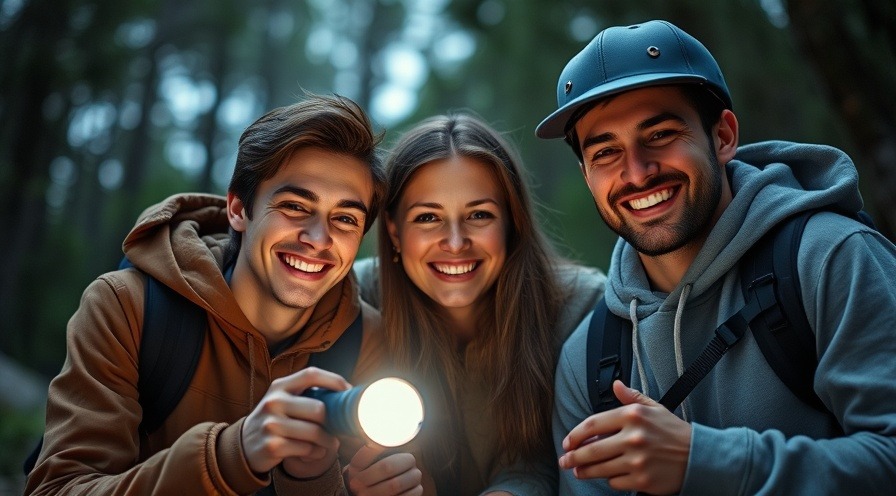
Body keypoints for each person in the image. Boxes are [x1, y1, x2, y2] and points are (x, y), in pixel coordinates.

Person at [535, 19, 896, 495]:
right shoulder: (589, 356)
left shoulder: (829, 259)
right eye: (606, 153)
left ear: (723, 136)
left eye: (660, 134)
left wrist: (708, 462)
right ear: (586, 174)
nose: (637, 172)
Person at [25, 93, 423, 495]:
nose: (319, 239)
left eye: (344, 219)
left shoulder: (367, 339)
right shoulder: (128, 307)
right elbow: (56, 489)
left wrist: (317, 480)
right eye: (294, 207)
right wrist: (232, 456)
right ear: (238, 209)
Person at [352, 113, 606, 495]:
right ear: (393, 230)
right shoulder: (353, 299)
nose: (455, 242)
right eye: (427, 217)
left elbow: (556, 465)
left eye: (479, 215)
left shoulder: (581, 307)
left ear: (512, 222)